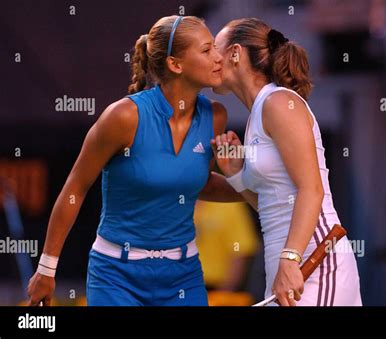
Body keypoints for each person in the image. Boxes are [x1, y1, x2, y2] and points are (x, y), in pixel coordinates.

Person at [26, 15, 242, 306]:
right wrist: (46, 269)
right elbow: (75, 188)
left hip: (183, 275)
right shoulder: (123, 117)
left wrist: (256, 187)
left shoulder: (216, 117)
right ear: (175, 64)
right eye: (206, 51)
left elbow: (198, 185)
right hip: (115, 277)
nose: (219, 58)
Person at [211, 18, 362, 306]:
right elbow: (274, 206)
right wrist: (236, 176)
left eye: (214, 48)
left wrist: (291, 259)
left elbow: (312, 189)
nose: (210, 60)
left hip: (316, 265)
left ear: (235, 53)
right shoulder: (259, 112)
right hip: (289, 268)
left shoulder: (279, 102)